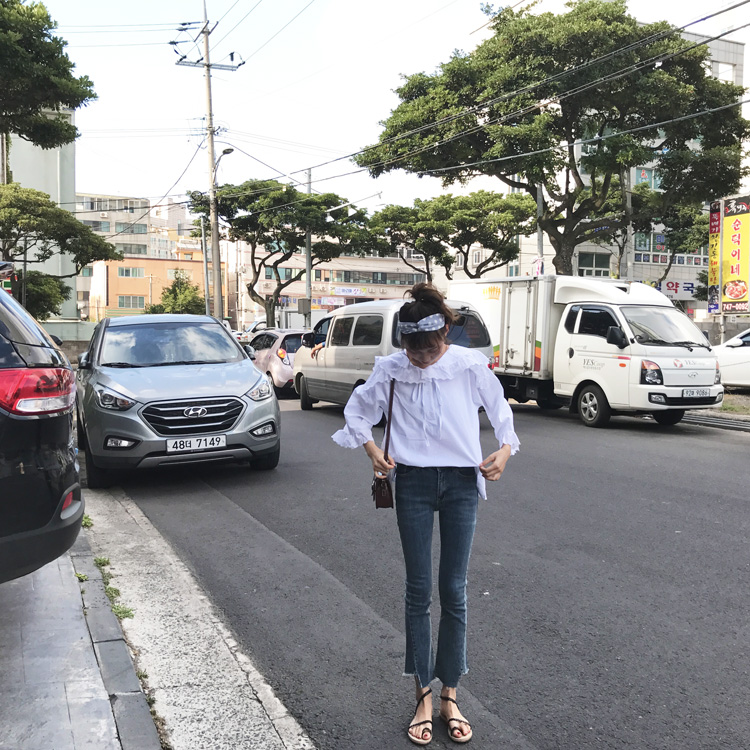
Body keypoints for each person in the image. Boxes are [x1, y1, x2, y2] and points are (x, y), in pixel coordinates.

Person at [332, 283, 519, 745]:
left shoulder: (468, 365)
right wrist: (372, 451)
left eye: (430, 349)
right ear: (403, 343)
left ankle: (450, 692)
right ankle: (423, 695)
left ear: (445, 334)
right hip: (412, 482)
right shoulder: (391, 369)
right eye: (413, 350)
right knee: (418, 591)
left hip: (461, 483)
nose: (421, 358)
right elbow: (357, 413)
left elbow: (501, 411)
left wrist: (504, 451)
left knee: (454, 590)